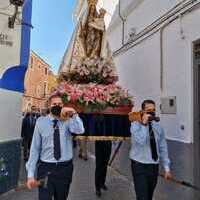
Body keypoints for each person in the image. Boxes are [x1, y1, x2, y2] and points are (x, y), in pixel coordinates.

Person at [26, 93, 84, 200]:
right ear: (49, 106)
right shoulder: (40, 122)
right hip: (46, 169)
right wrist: (30, 175)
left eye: (60, 104)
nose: (57, 106)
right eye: (54, 104)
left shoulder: (68, 120)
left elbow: (80, 130)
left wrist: (74, 114)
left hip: (64, 169)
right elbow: (35, 149)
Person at [130, 99, 172, 200]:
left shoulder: (158, 127)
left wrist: (167, 168)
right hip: (139, 165)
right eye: (148, 110)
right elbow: (140, 141)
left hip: (153, 167)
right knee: (142, 197)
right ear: (142, 111)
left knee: (149, 196)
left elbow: (163, 148)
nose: (151, 112)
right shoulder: (135, 125)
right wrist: (144, 125)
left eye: (153, 110)